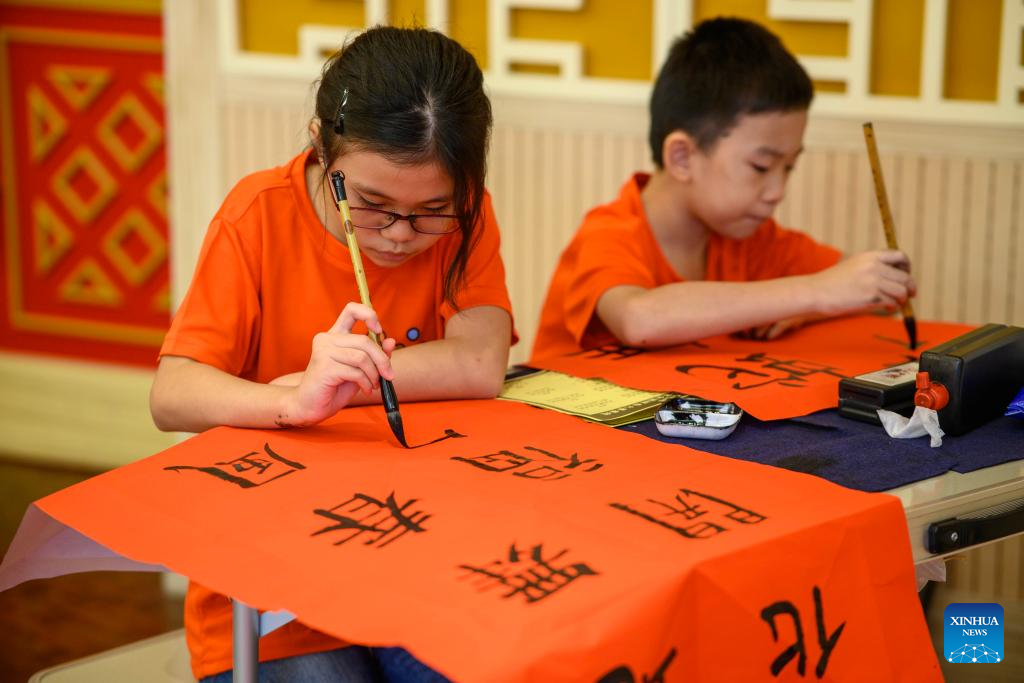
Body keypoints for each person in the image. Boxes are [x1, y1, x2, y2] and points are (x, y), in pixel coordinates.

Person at [150, 26, 513, 682]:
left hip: (419, 557)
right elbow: (172, 394)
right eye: (371, 204)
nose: (400, 235)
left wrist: (344, 383)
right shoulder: (258, 215)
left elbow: (480, 363)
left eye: (431, 210)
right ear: (321, 144)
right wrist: (293, 400)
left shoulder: (466, 217)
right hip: (274, 579)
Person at [530, 17, 916, 360]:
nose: (777, 191)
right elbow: (639, 319)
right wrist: (814, 293)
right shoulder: (609, 232)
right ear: (682, 157)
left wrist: (809, 306)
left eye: (789, 167)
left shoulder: (751, 240)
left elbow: (882, 289)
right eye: (761, 166)